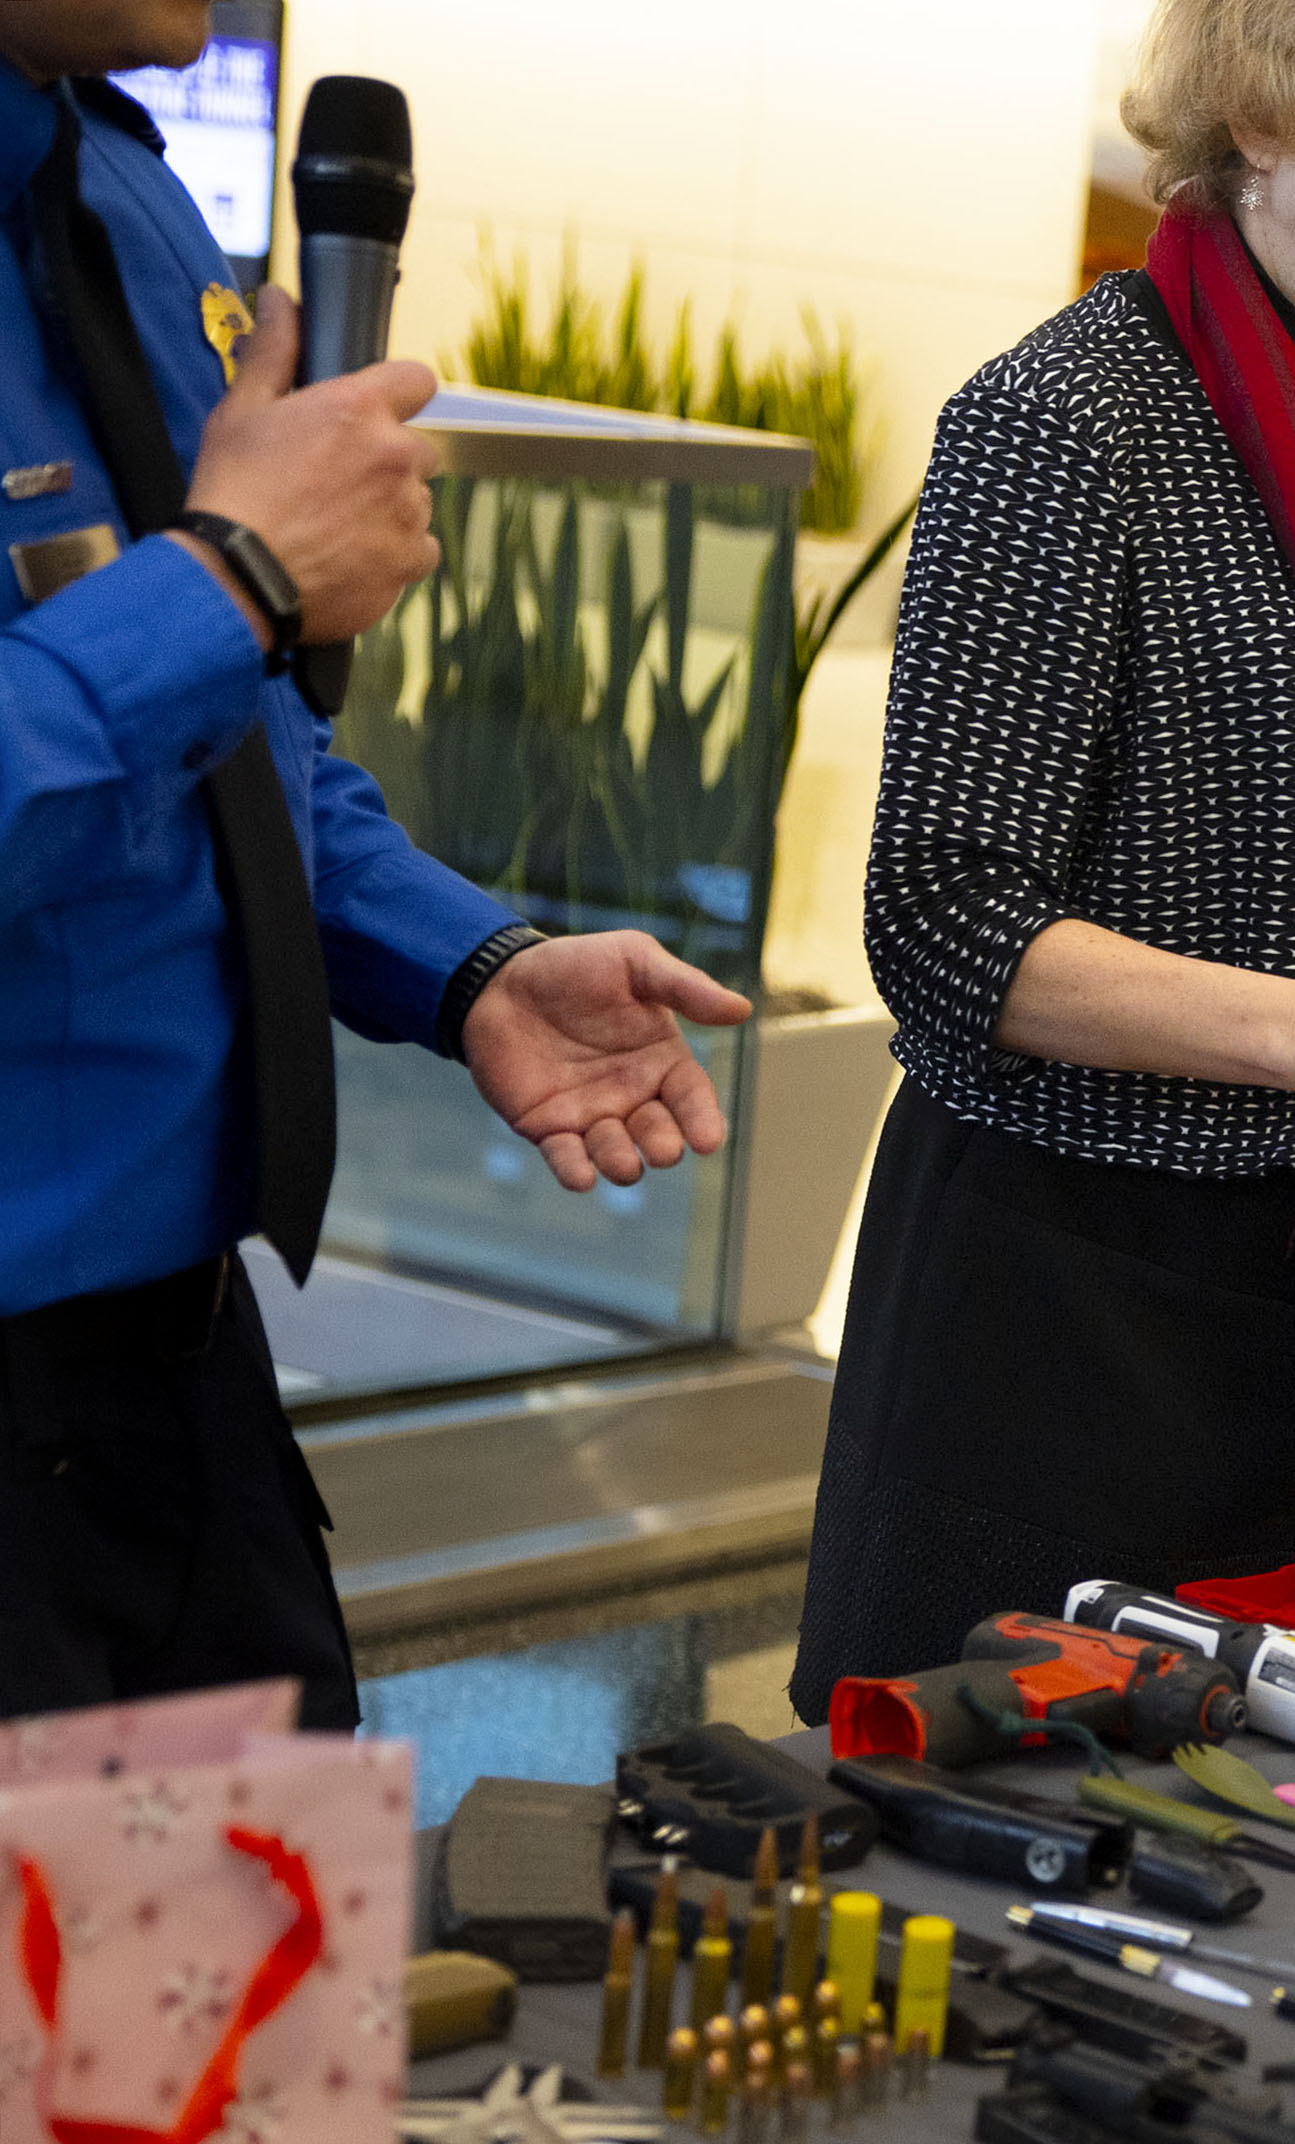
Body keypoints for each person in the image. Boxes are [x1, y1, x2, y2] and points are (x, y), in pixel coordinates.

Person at [790, 0, 1295, 1715]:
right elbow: (943, 923)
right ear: (1273, 117)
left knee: (1286, 1880)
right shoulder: (1064, 424)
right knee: (988, 1886)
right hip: (1060, 1324)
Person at [0, 0, 754, 1731]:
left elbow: (237, 745)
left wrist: (466, 962)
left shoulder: (117, 186)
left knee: (254, 1996)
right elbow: (204, 628)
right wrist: (235, 577)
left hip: (179, 1387)